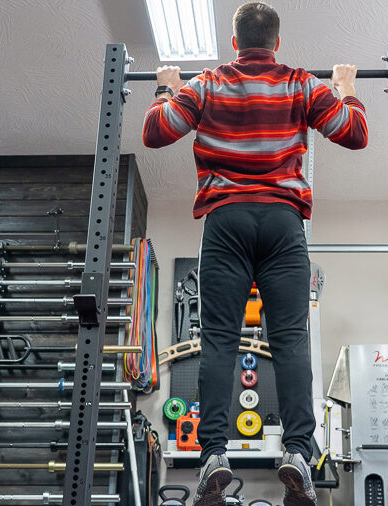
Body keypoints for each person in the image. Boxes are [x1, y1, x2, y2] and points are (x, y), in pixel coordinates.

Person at [142, 2, 367, 504]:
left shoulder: (207, 83)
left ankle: (215, 455)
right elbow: (354, 134)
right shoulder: (302, 83)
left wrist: (166, 86)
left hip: (227, 221)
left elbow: (155, 132)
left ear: (235, 41)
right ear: (278, 43)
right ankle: (297, 454)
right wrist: (348, 88)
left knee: (218, 340)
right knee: (289, 340)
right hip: (284, 222)